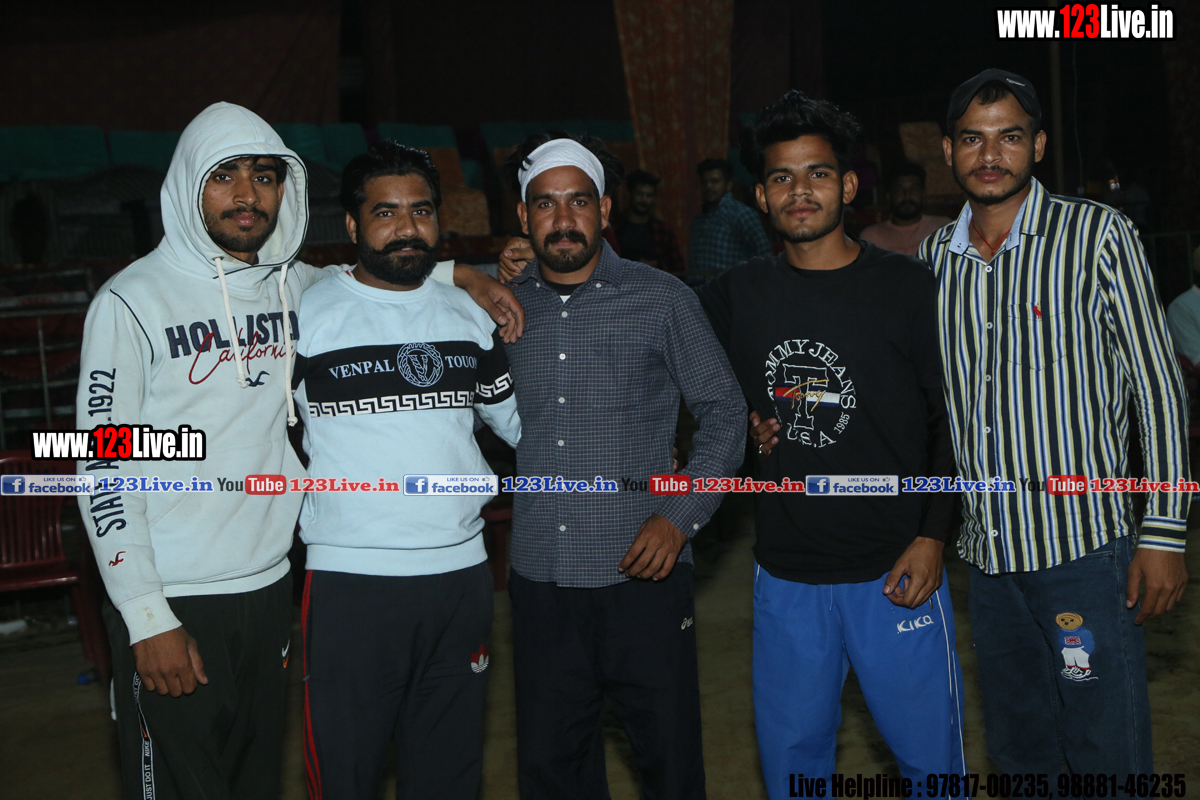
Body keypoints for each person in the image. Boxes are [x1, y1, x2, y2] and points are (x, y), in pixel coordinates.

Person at [75, 102, 523, 800]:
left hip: (268, 588)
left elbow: (382, 274)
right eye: (224, 176)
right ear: (188, 182)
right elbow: (102, 463)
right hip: (176, 592)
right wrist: (145, 613)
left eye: (264, 176)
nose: (247, 195)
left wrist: (465, 274)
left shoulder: (292, 287)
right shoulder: (129, 302)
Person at [915, 68, 1189, 777]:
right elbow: (925, 405)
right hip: (988, 556)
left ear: (1037, 146)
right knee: (1021, 753)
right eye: (972, 139)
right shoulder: (931, 260)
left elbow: (1157, 386)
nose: (990, 154)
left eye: (1009, 137)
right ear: (947, 151)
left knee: (1106, 752)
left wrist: (1162, 531)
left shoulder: (1097, 234)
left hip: (1084, 550)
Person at [705, 90, 964, 796]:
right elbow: (674, 363)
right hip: (786, 573)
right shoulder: (734, 296)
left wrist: (933, 536)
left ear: (848, 186)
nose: (800, 191)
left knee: (931, 766)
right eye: (782, 177)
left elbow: (949, 421)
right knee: (795, 770)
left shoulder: (910, 288)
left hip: (896, 567)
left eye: (817, 173)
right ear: (761, 196)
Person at [501, 131, 746, 799]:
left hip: (642, 574)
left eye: (578, 201)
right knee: (552, 772)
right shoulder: (503, 304)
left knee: (670, 765)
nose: (563, 218)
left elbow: (726, 414)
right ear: (523, 217)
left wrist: (679, 517)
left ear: (604, 209)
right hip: (541, 580)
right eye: (545, 204)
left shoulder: (662, 298)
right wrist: (472, 273)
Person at [293, 141, 520, 799]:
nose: (406, 228)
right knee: (346, 779)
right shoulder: (306, 311)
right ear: (352, 225)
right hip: (351, 584)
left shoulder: (470, 315)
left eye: (420, 211)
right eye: (385, 213)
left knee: (449, 778)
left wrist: (635, 457)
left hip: (461, 580)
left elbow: (525, 430)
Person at [688, 157, 772, 273]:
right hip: (698, 283)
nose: (709, 186)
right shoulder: (699, 218)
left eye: (715, 181)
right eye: (704, 182)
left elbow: (764, 253)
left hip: (733, 283)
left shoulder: (742, 214)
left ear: (728, 184)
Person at [857, 162, 952, 256]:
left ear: (923, 194)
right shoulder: (873, 237)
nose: (907, 196)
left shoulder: (942, 228)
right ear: (889, 196)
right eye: (899, 190)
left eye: (914, 189)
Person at [612, 169, 685, 274]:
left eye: (649, 195)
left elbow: (679, 270)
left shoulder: (663, 231)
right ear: (630, 194)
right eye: (639, 194)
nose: (644, 200)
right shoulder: (616, 229)